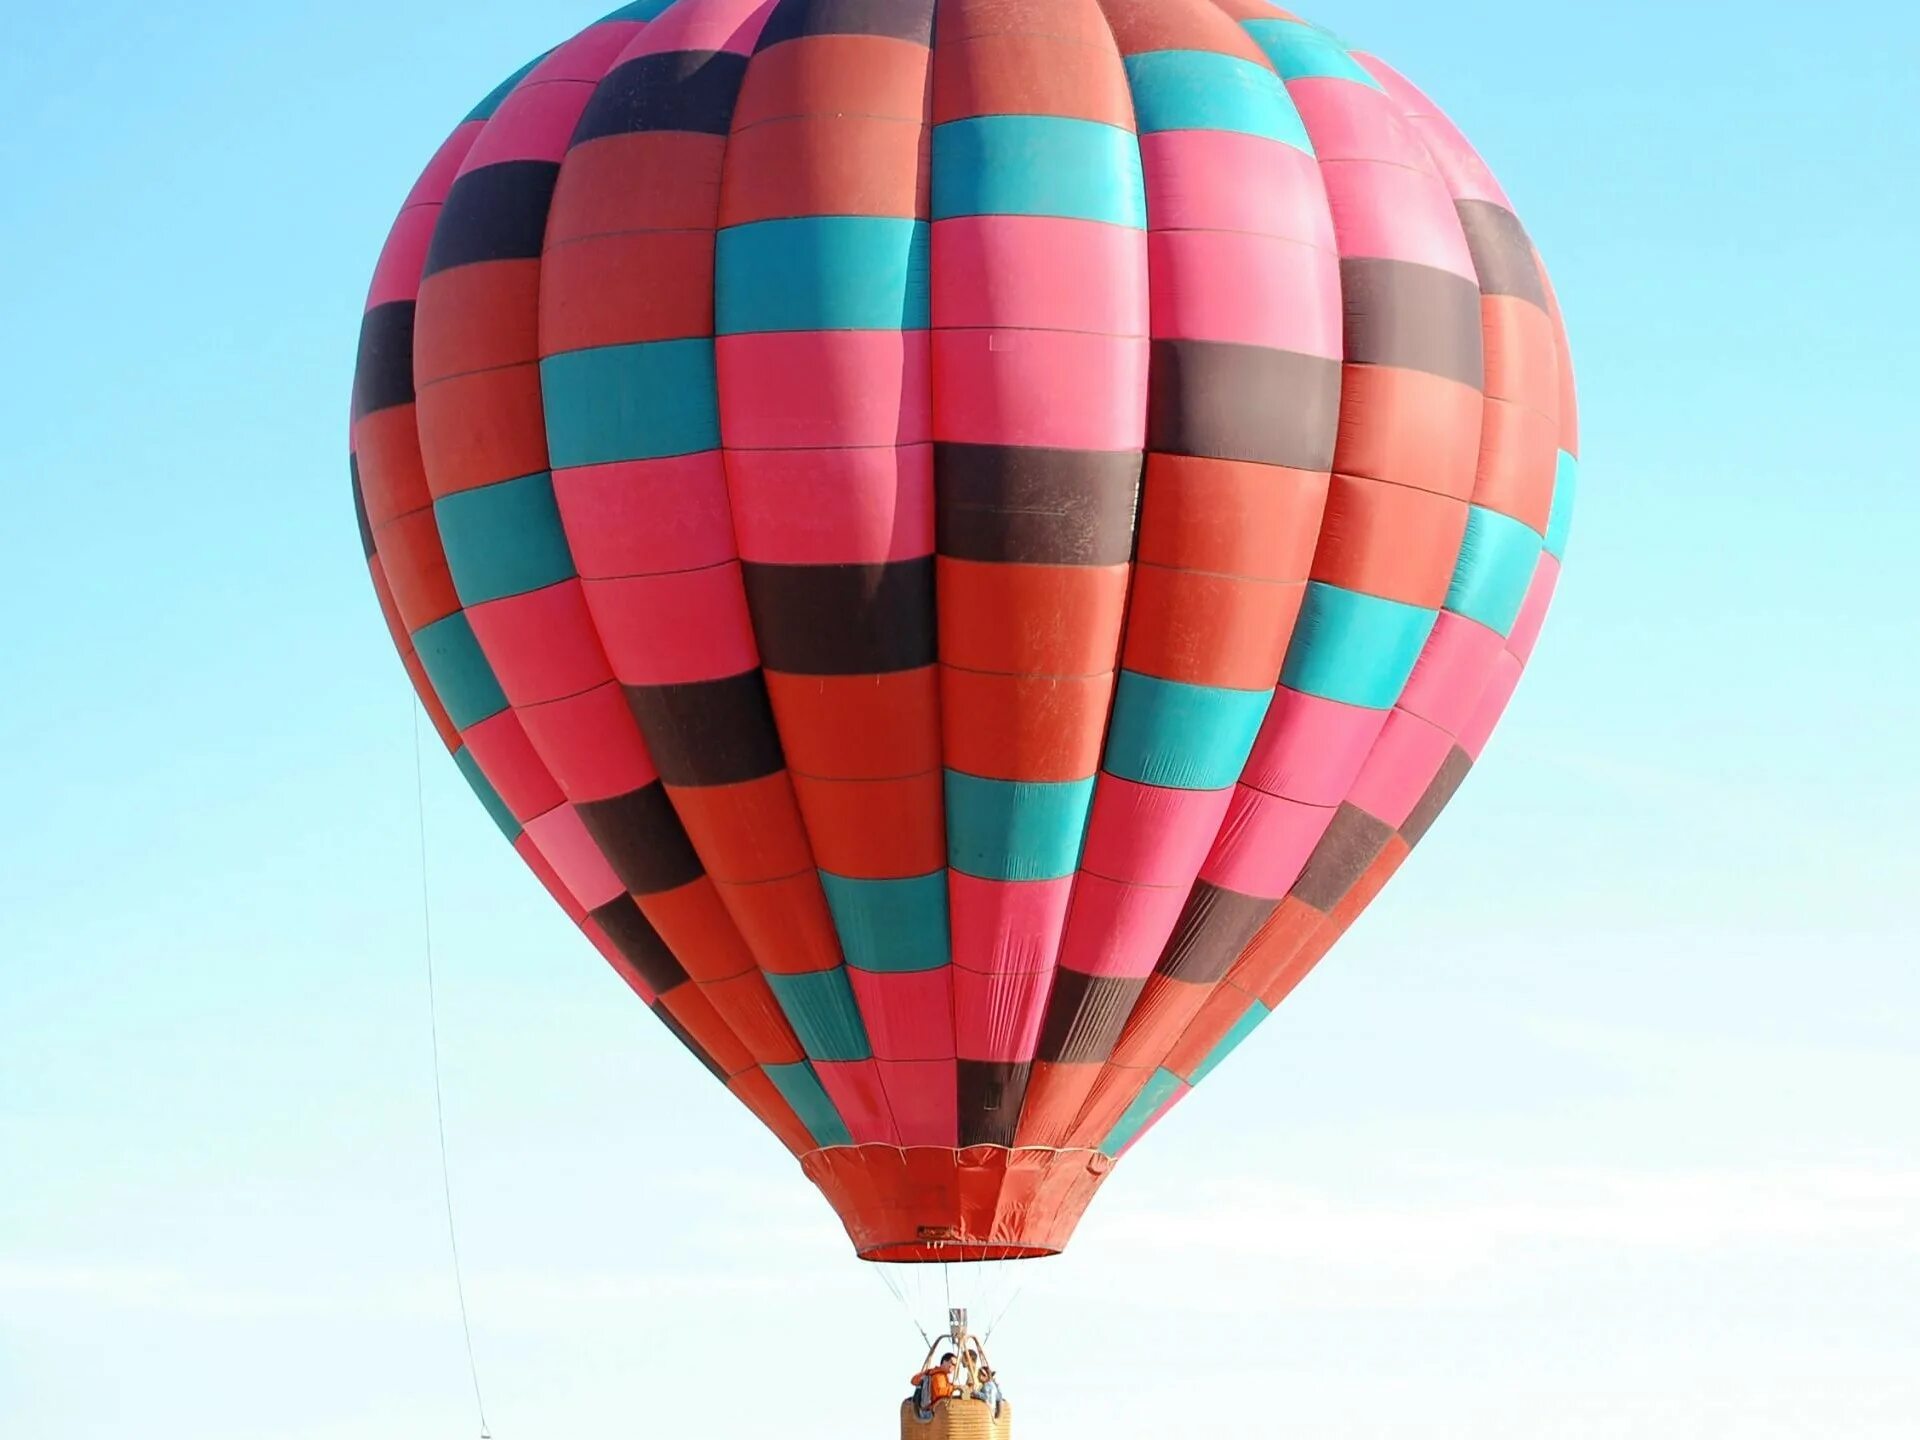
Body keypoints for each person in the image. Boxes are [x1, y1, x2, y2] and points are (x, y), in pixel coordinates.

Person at [909, 1353, 960, 1421]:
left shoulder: (932, 1372)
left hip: (924, 1410)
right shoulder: (939, 1375)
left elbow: (913, 1380)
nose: (953, 1366)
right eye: (952, 1363)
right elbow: (939, 1392)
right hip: (932, 1411)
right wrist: (954, 1388)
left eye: (955, 1365)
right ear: (944, 1361)